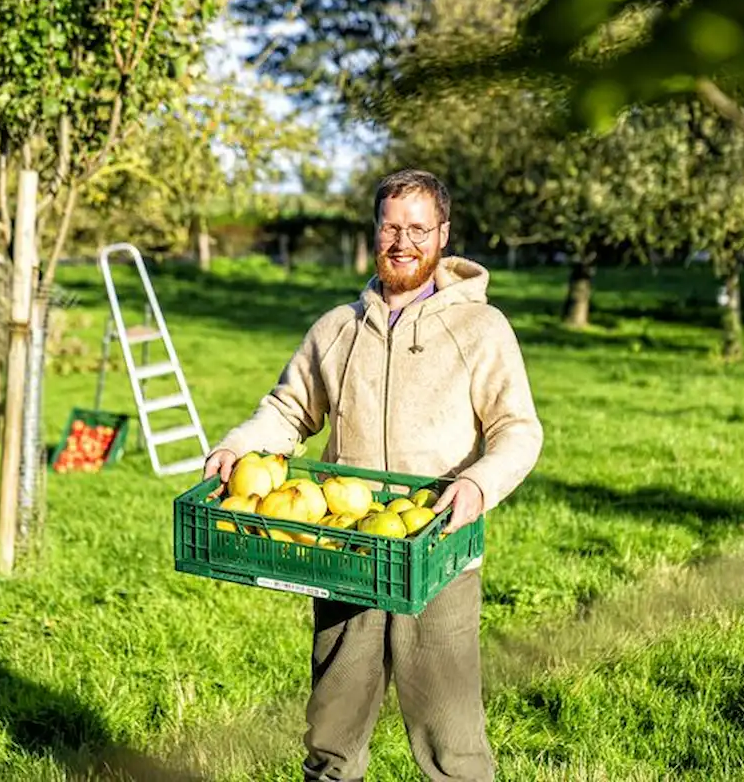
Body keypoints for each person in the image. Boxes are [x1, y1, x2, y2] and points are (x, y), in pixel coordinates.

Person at [202, 168, 544, 782]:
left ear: (443, 234)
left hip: (437, 548)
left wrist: (477, 484)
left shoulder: (480, 329)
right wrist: (239, 447)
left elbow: (518, 428)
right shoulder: (337, 329)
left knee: (452, 740)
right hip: (343, 548)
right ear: (375, 231)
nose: (403, 241)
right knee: (333, 733)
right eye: (391, 226)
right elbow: (289, 410)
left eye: (418, 228)